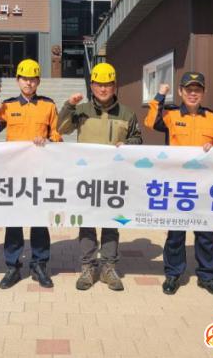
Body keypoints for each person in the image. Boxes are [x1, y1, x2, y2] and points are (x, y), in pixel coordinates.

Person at [57, 62, 142, 291]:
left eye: (108, 84)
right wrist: (68, 106)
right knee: (87, 223)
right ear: (92, 86)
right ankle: (87, 267)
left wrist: (129, 143)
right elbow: (61, 129)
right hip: (87, 178)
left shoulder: (127, 113)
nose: (103, 89)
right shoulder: (82, 110)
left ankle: (108, 268)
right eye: (98, 84)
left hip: (114, 178)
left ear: (115, 86)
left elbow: (137, 138)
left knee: (111, 223)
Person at [144, 72, 213, 297]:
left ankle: (207, 277)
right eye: (188, 89)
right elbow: (150, 122)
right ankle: (173, 274)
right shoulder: (171, 115)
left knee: (205, 234)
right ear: (180, 92)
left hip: (203, 186)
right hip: (178, 185)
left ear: (203, 93)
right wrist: (160, 95)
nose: (193, 93)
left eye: (197, 90)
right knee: (176, 234)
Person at [0, 58, 61, 289]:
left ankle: (39, 264)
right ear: (18, 81)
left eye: (33, 79)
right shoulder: (9, 106)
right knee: (14, 221)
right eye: (25, 79)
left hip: (39, 172)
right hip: (14, 173)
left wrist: (48, 141)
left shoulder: (48, 105)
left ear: (38, 81)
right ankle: (13, 266)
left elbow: (57, 136)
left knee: (39, 221)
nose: (29, 83)